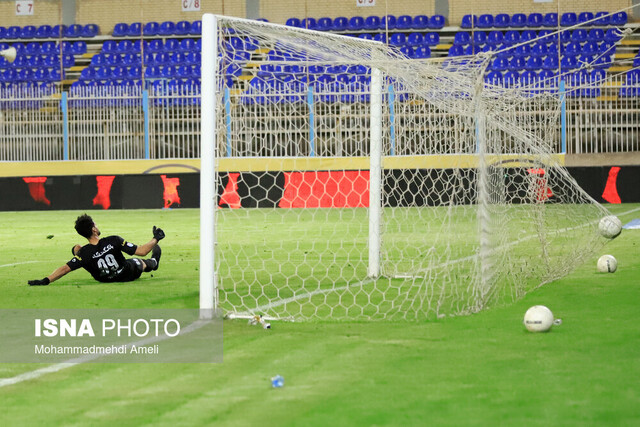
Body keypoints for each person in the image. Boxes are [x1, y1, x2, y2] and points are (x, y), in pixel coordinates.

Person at [28, 214, 165, 286]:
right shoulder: (113, 240)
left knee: (78, 251)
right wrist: (156, 239)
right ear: (94, 229)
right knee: (139, 262)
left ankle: (151, 262)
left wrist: (46, 280)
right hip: (126, 273)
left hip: (104, 279)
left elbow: (64, 269)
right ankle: (154, 262)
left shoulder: (84, 253)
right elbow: (142, 250)